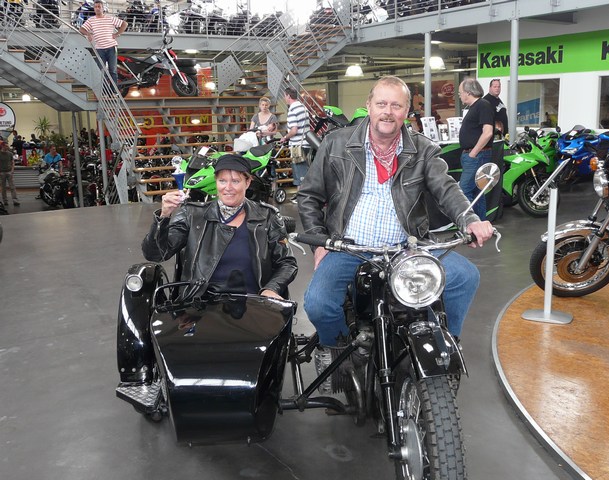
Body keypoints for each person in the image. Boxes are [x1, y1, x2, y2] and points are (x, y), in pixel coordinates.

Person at [297, 75, 494, 357]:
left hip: (406, 247)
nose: (388, 112)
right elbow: (309, 196)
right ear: (369, 105)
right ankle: (336, 350)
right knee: (318, 303)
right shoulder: (335, 144)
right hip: (348, 247)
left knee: (464, 276)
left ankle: (442, 345)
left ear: (406, 111)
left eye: (396, 105)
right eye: (381, 104)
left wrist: (470, 219)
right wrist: (319, 243)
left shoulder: (423, 149)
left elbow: (446, 188)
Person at [141, 153, 297, 299]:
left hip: (253, 303)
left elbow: (287, 263)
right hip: (201, 304)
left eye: (235, 181)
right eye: (222, 181)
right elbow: (156, 254)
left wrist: (271, 289)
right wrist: (164, 216)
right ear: (216, 182)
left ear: (247, 182)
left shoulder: (268, 216)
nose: (228, 187)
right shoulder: (192, 214)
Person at [458, 77, 495, 220]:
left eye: (460, 92)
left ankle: (470, 224)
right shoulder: (475, 107)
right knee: (477, 193)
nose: (460, 95)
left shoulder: (483, 105)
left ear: (468, 92)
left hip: (476, 155)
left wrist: (473, 153)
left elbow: (488, 132)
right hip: (474, 155)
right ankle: (480, 223)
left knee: (464, 191)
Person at [80, 0, 128, 91]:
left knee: (113, 70)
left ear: (103, 8)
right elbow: (81, 29)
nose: (97, 8)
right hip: (100, 49)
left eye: (99, 6)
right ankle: (103, 91)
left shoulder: (110, 18)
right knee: (100, 71)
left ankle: (114, 91)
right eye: (95, 7)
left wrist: (117, 33)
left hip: (111, 48)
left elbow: (124, 24)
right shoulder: (91, 20)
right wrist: (88, 34)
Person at [281, 87, 310, 203]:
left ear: (288, 96)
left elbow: (294, 130)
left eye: (284, 96)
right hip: (306, 143)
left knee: (299, 172)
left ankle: (302, 197)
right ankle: (300, 195)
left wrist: (285, 137)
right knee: (304, 170)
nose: (284, 98)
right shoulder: (303, 107)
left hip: (297, 145)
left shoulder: (292, 110)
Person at [0, 142, 20, 206]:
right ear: (2, 146)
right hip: (2, 172)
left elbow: (12, 162)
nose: (7, 147)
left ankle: (15, 200)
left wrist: (12, 170)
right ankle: (5, 201)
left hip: (9, 172)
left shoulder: (10, 154)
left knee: (12, 187)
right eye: (6, 146)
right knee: (3, 188)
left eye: (7, 146)